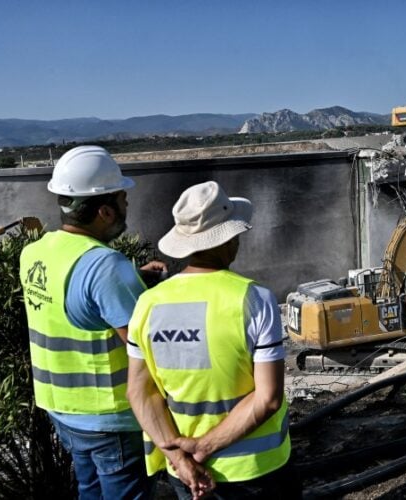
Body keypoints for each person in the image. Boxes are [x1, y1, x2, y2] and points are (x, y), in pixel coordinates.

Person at [126, 181, 299, 499]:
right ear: (226, 239)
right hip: (257, 470)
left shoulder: (147, 304)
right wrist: (203, 448)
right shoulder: (253, 298)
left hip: (185, 471)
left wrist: (181, 458)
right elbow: (268, 397)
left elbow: (140, 391)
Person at [19, 145, 166, 498]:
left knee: (90, 490)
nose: (127, 205)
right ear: (104, 210)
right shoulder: (106, 267)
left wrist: (133, 281)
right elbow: (143, 348)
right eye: (122, 198)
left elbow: (73, 303)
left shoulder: (34, 252)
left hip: (61, 409)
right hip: (109, 417)